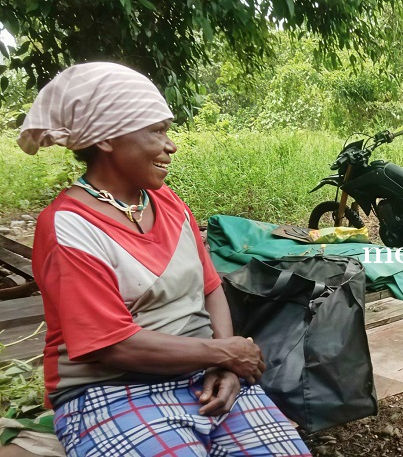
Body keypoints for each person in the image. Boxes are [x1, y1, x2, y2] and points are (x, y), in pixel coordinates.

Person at [19, 62, 312, 457]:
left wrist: (225, 365)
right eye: (156, 131)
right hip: (110, 391)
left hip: (204, 375)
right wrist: (226, 352)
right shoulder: (68, 226)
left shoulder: (168, 202)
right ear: (106, 138)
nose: (170, 145)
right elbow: (111, 345)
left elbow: (211, 289)